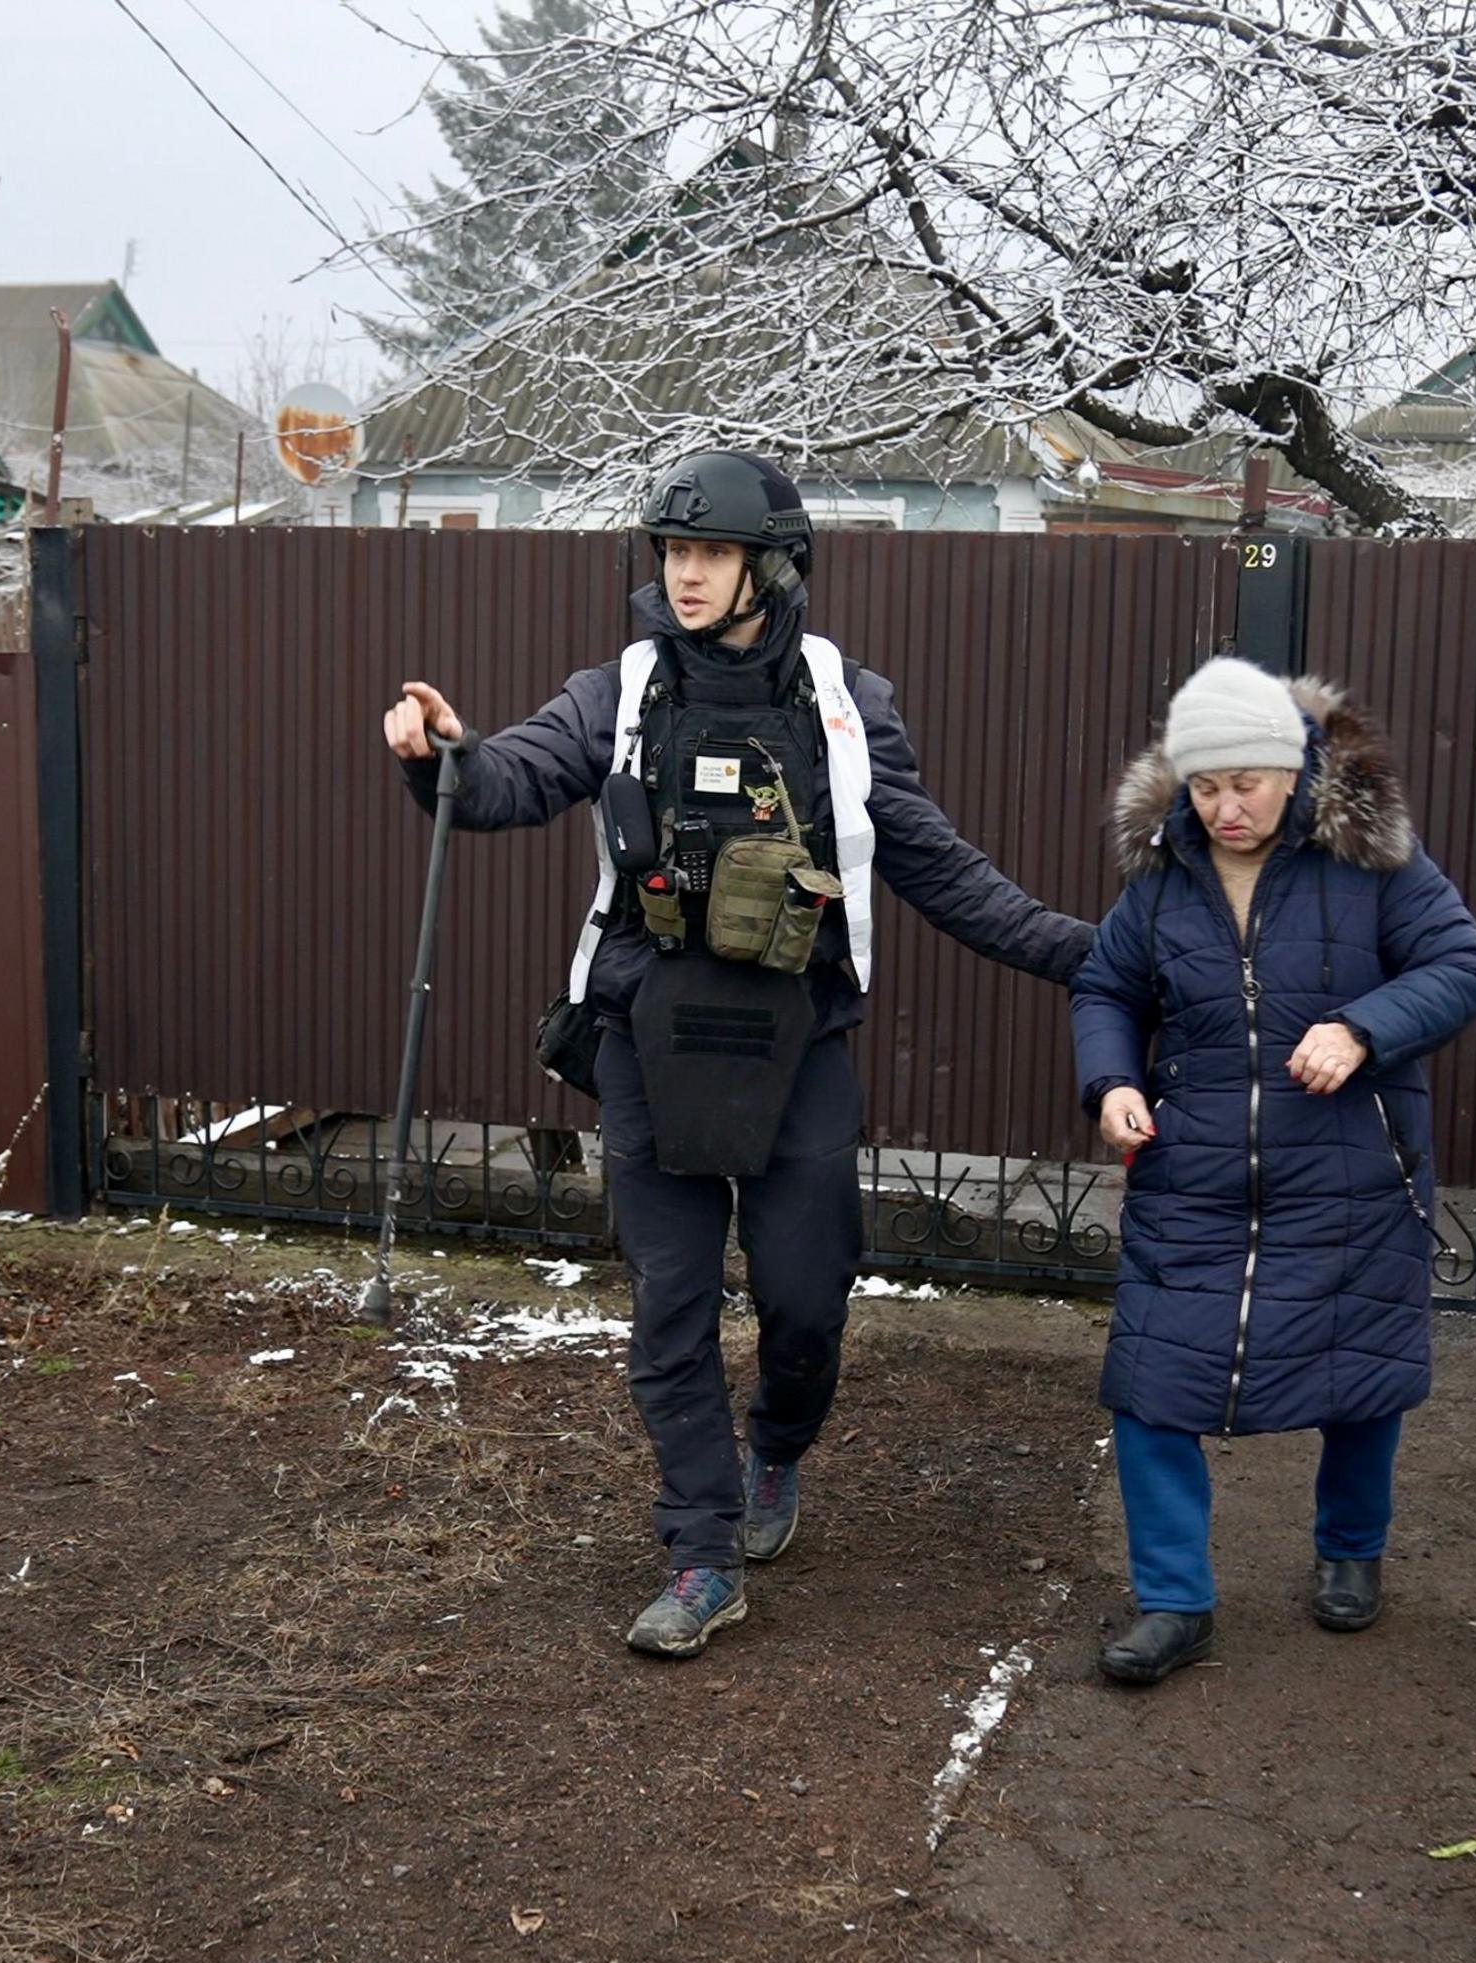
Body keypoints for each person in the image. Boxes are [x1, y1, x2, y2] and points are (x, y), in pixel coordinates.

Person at [376, 451, 1093, 1658]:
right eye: (672, 551)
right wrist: (440, 753)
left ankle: (776, 1451)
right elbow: (508, 780)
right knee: (670, 1306)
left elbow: (937, 863)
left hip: (796, 1040)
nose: (686, 573)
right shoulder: (620, 690)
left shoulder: (845, 703)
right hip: (646, 1038)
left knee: (807, 1301)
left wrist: (1089, 952)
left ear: (769, 565)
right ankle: (702, 1554)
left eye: (708, 553)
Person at [1067, 655, 1476, 1685]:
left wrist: (1363, 1026)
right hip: (1194, 1176)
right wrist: (1111, 1081)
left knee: (1358, 1381)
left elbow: (1464, 966)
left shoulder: (1373, 865)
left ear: (1293, 767)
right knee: (1149, 1386)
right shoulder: (1163, 879)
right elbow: (1105, 988)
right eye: (1206, 786)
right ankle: (1176, 1603)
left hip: (1349, 1171)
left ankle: (1351, 1552)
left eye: (1245, 783)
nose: (1225, 807)